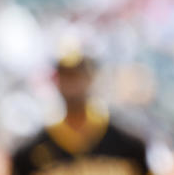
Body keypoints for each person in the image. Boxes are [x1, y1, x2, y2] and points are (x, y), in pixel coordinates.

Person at [9, 50, 151, 175]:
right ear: (57, 82)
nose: (72, 85)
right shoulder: (29, 152)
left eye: (77, 76)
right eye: (66, 77)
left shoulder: (128, 144)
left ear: (91, 79)